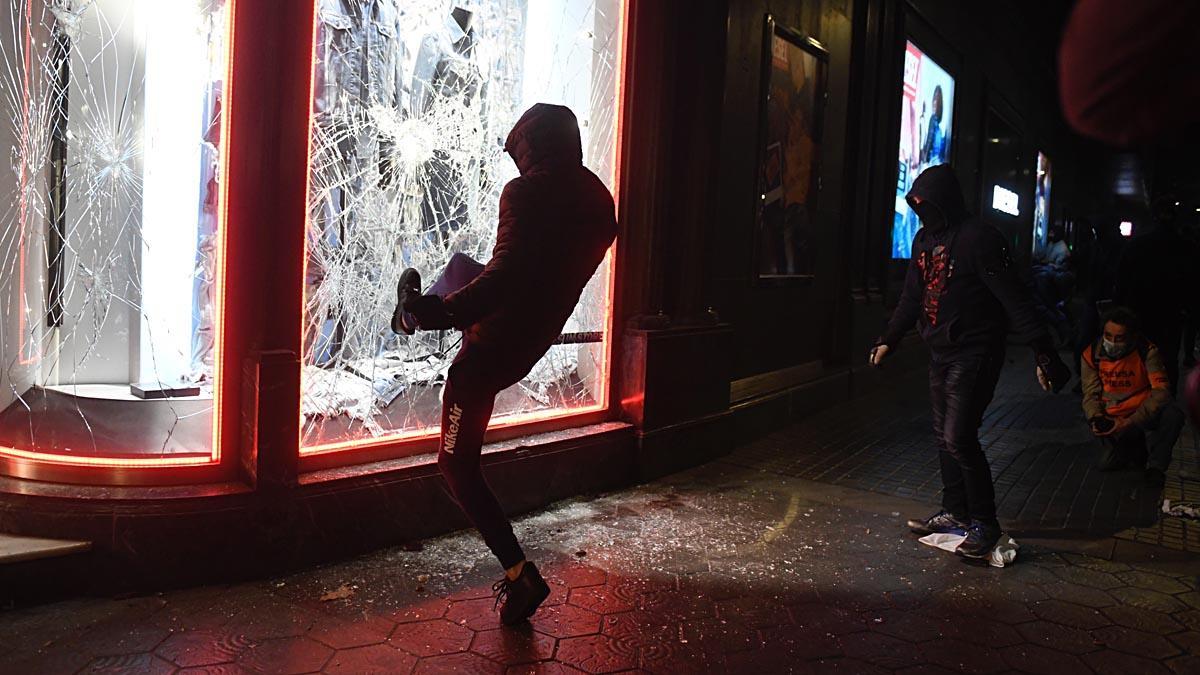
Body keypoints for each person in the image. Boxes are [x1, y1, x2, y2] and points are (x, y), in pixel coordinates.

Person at [391, 103, 617, 625]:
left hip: (490, 347)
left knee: (455, 464)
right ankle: (415, 309)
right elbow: (533, 271)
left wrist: (441, 314)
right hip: (531, 338)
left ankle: (519, 575)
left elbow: (508, 278)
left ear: (530, 147)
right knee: (462, 273)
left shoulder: (526, 193)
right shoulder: (597, 201)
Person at [870, 164, 1070, 559]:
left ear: (947, 200)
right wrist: (888, 339)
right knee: (945, 437)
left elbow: (1014, 297)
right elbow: (912, 297)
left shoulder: (979, 238)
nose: (922, 211)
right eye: (917, 205)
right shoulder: (924, 240)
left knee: (959, 436)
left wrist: (1043, 351)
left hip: (976, 351)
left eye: (928, 204)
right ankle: (956, 512)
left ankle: (985, 524)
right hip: (941, 352)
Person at [1081, 307, 1184, 488]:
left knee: (1173, 413)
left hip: (1140, 412)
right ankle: (1131, 445)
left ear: (1132, 337)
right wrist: (1095, 418)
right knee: (1107, 464)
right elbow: (1090, 393)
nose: (1112, 342)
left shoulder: (1147, 351)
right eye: (1108, 335)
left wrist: (1130, 421)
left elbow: (1161, 391)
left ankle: (1156, 466)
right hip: (1112, 414)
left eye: (1119, 338)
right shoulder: (1091, 354)